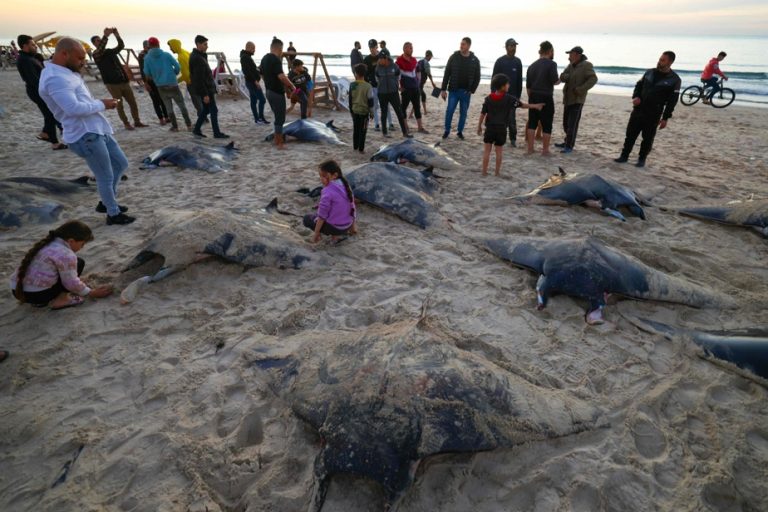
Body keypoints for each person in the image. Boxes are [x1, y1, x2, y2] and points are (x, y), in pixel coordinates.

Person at [39, 37, 135, 225]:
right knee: (105, 175)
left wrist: (99, 103)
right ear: (63, 54)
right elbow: (73, 109)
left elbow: (80, 101)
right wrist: (102, 104)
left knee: (121, 164)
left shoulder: (66, 72)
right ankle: (112, 214)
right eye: (80, 58)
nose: (84, 62)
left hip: (96, 128)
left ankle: (106, 203)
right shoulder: (55, 78)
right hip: (84, 135)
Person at [10, 220, 113, 309]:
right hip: (37, 295)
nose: (82, 247)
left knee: (64, 268)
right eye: (82, 244)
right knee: (79, 263)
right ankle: (61, 300)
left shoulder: (46, 243)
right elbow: (70, 283)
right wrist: (91, 292)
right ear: (71, 241)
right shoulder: (66, 255)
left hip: (17, 291)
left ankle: (38, 298)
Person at [615, 51, 681, 168]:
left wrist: (665, 117)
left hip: (654, 113)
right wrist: (636, 96)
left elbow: (672, 101)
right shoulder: (649, 72)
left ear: (670, 62)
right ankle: (624, 156)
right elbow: (638, 86)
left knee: (648, 138)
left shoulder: (674, 80)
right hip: (638, 110)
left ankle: (641, 159)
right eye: (660, 59)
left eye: (662, 60)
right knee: (630, 134)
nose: (659, 62)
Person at [477, 74, 543, 176]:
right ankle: (497, 172)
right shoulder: (509, 99)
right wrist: (535, 106)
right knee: (499, 152)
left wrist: (479, 126)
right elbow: (522, 105)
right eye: (507, 84)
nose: (509, 86)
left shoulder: (488, 98)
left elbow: (483, 113)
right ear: (503, 86)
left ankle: (484, 172)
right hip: (501, 129)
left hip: (489, 128)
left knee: (487, 151)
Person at [90, 27, 147, 130]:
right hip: (112, 84)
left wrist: (116, 35)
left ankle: (137, 121)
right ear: (94, 44)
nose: (100, 42)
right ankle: (126, 123)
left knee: (133, 103)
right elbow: (101, 49)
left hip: (123, 81)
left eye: (100, 40)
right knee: (119, 105)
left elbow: (121, 46)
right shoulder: (96, 54)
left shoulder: (109, 51)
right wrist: (106, 36)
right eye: (98, 41)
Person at [16, 34, 66, 150]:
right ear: (25, 46)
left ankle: (51, 139)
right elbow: (34, 80)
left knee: (49, 114)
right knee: (51, 113)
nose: (35, 47)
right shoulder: (25, 60)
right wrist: (48, 91)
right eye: (33, 45)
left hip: (37, 90)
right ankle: (50, 135)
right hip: (37, 91)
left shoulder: (29, 58)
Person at [143, 37, 192, 132]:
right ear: (158, 44)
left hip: (160, 86)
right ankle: (189, 125)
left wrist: (155, 76)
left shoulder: (147, 58)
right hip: (172, 83)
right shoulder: (166, 55)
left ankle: (175, 127)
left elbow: (147, 73)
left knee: (168, 106)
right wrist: (174, 73)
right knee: (181, 105)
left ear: (149, 46)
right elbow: (178, 67)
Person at [303, 160, 357, 244]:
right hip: (347, 226)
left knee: (306, 219)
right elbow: (352, 206)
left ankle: (334, 236)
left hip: (336, 228)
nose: (321, 179)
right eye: (320, 176)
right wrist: (353, 229)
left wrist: (316, 234)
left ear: (334, 175)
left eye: (324, 176)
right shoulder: (345, 184)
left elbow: (322, 216)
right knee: (334, 212)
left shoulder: (327, 191)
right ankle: (334, 238)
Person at [556, 46, 597, 153]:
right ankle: (566, 142)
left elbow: (593, 79)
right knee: (566, 123)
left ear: (577, 55)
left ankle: (569, 146)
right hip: (568, 98)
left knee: (572, 125)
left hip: (577, 99)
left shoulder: (586, 65)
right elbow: (563, 76)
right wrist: (566, 76)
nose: (569, 56)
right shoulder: (570, 65)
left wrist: (581, 89)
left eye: (571, 54)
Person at [440, 37, 481, 140]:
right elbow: (447, 73)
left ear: (468, 46)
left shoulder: (475, 60)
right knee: (449, 111)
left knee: (463, 113)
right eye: (461, 44)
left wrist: (472, 90)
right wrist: (443, 89)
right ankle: (447, 131)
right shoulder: (453, 57)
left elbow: (477, 76)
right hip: (453, 90)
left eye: (463, 44)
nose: (461, 46)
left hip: (466, 92)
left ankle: (460, 132)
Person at [189, 35, 228, 139]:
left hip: (207, 88)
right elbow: (199, 78)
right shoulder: (197, 58)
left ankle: (197, 129)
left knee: (206, 110)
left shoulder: (200, 56)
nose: (207, 46)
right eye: (205, 44)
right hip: (206, 89)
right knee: (213, 110)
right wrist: (205, 94)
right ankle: (216, 133)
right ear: (198, 44)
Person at [525, 40, 560, 155]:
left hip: (534, 95)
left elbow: (528, 86)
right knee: (547, 123)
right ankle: (545, 150)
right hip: (546, 96)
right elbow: (554, 81)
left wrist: (531, 98)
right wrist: (562, 79)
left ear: (540, 51)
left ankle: (530, 148)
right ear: (550, 51)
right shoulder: (551, 64)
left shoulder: (532, 66)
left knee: (532, 123)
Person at [261, 37, 296, 149]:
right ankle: (279, 142)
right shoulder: (276, 60)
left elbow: (261, 74)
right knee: (280, 118)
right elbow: (281, 76)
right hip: (276, 93)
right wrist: (292, 86)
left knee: (277, 116)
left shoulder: (264, 58)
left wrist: (268, 82)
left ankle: (277, 139)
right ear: (279, 48)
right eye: (281, 49)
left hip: (269, 91)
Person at [491, 38, 523, 147]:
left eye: (514, 46)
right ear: (506, 47)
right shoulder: (500, 61)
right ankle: (500, 138)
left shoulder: (518, 62)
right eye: (511, 46)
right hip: (500, 95)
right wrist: (493, 94)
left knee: (512, 120)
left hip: (513, 96)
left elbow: (519, 80)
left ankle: (513, 139)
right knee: (500, 119)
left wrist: (518, 96)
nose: (513, 48)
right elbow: (494, 78)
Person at [376, 53, 410, 138]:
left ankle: (405, 132)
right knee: (383, 113)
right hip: (382, 93)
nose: (379, 61)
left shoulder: (394, 66)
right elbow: (376, 78)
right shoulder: (377, 68)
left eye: (380, 59)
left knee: (399, 112)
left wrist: (396, 85)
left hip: (393, 93)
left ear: (386, 59)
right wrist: (380, 85)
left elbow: (399, 76)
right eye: (378, 59)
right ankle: (385, 133)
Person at [396, 42, 427, 134]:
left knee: (417, 107)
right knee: (403, 108)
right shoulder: (399, 61)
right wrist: (399, 86)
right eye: (410, 48)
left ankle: (420, 127)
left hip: (415, 88)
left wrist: (418, 82)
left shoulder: (414, 60)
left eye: (412, 48)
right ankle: (405, 127)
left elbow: (418, 71)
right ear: (405, 49)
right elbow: (396, 75)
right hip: (406, 88)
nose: (412, 49)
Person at [168, 38, 203, 118]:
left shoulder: (181, 57)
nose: (170, 49)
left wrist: (176, 81)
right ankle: (204, 117)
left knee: (196, 101)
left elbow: (185, 74)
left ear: (175, 46)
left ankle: (202, 118)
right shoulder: (185, 51)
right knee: (199, 100)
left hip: (191, 81)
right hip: (196, 78)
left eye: (171, 47)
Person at [138, 39, 170, 127]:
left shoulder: (153, 53)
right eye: (148, 47)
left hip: (158, 80)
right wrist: (146, 83)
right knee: (155, 100)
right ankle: (161, 119)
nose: (151, 48)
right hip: (150, 81)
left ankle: (167, 117)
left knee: (162, 99)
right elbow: (142, 70)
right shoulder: (142, 55)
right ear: (144, 47)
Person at [240, 41, 268, 124]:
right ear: (248, 48)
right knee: (262, 100)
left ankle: (257, 119)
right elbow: (247, 71)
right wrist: (255, 81)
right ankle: (260, 118)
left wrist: (258, 69)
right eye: (253, 49)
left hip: (251, 82)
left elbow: (252, 69)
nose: (254, 50)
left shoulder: (247, 56)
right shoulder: (245, 57)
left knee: (253, 100)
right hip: (252, 82)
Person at [349, 63, 374, 153]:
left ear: (356, 73)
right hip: (364, 112)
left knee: (355, 129)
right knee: (363, 130)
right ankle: (361, 149)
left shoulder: (352, 85)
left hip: (355, 111)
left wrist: (351, 111)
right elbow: (370, 101)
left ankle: (355, 146)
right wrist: (372, 113)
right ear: (365, 74)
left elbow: (350, 99)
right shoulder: (368, 86)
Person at [415, 50, 436, 117]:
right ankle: (410, 114)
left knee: (423, 95)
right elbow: (429, 74)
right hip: (420, 83)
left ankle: (425, 111)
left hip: (417, 82)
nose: (431, 58)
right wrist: (432, 83)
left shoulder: (419, 61)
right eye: (431, 57)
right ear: (429, 56)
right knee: (417, 98)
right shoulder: (426, 63)